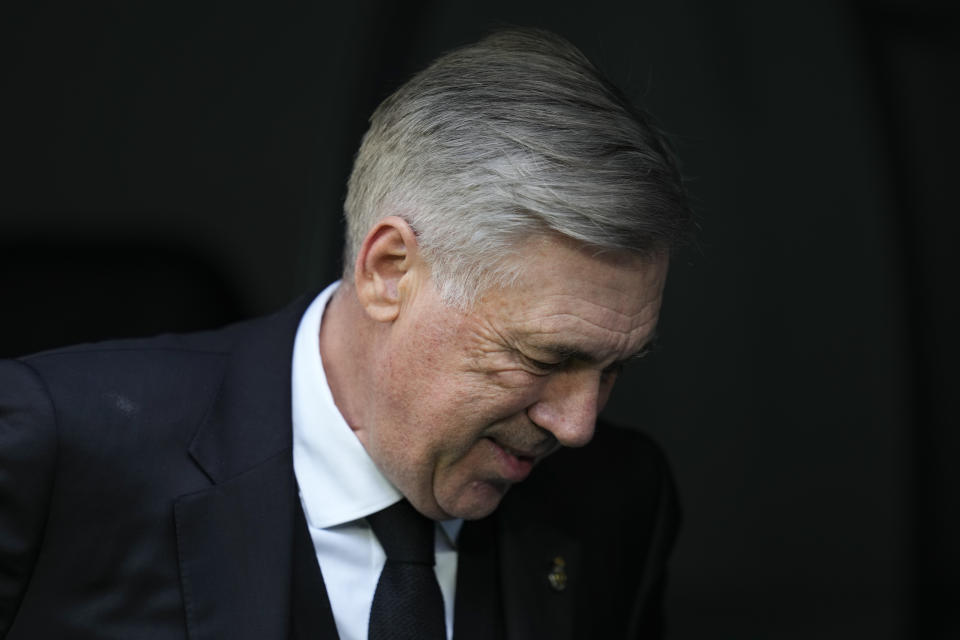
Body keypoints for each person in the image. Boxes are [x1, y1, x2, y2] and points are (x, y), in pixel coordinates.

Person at [0, 28, 691, 640]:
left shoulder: (618, 500)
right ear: (389, 271)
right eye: (545, 356)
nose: (577, 425)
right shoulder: (52, 453)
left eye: (613, 369)